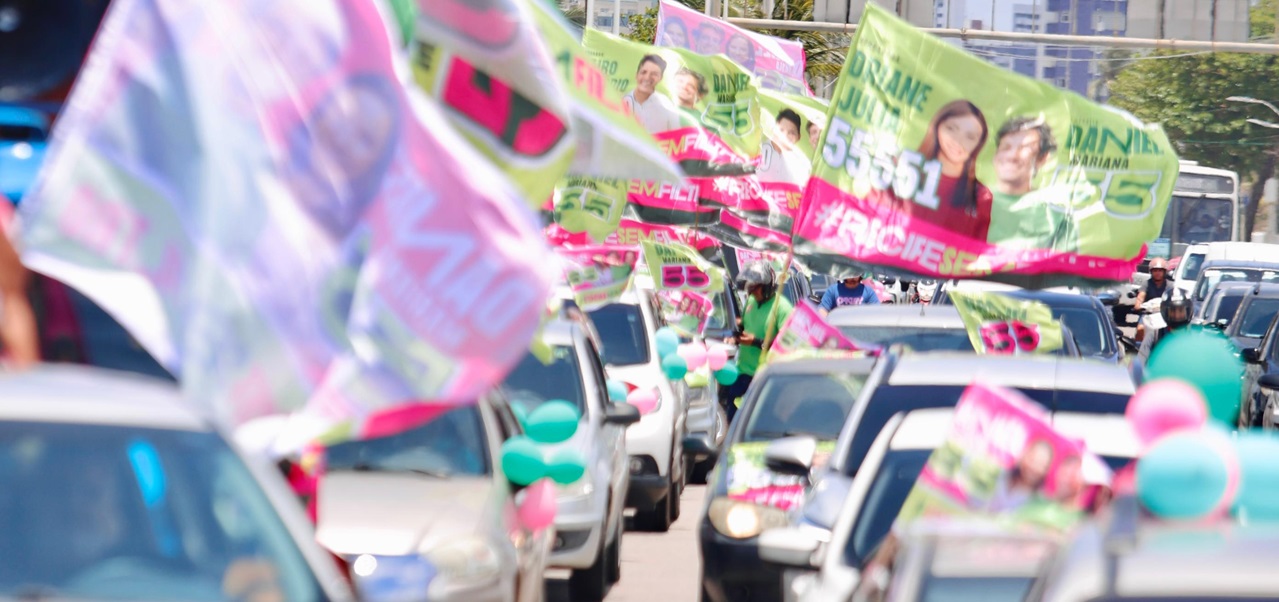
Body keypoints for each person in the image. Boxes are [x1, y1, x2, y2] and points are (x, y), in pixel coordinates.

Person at [986, 117, 1077, 251]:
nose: (1012, 156)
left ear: (1042, 158)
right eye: (1006, 147)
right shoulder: (970, 201)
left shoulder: (1057, 213)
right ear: (996, 154)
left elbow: (1065, 263)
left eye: (1024, 148)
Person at [911, 100, 993, 240]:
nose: (958, 141)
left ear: (979, 144)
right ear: (937, 127)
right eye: (951, 129)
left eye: (970, 137)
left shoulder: (981, 196)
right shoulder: (906, 169)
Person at [722, 261, 793, 423]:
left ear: (767, 286)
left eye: (756, 288)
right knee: (733, 418)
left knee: (760, 421)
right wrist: (734, 330)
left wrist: (756, 342)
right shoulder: (751, 302)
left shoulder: (782, 307)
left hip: (765, 375)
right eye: (750, 289)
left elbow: (785, 343)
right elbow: (746, 324)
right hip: (743, 372)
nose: (752, 293)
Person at [986, 439, 1054, 512]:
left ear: (1046, 470)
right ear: (1024, 455)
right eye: (1032, 459)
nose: (1034, 467)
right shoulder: (1000, 476)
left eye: (1041, 464)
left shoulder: (1038, 505)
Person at [622, 54, 680, 135]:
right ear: (636, 75)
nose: (647, 77)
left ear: (660, 78)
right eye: (643, 72)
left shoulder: (667, 106)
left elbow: (677, 137)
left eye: (654, 74)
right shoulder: (622, 101)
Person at [757, 109, 810, 185]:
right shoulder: (758, 151)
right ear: (773, 130)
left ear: (798, 137)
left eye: (791, 133)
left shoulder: (802, 162)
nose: (785, 136)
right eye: (781, 130)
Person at [1139, 287, 1194, 361]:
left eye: (1180, 311)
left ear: (1188, 311)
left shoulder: (1196, 337)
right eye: (1173, 311)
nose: (1177, 316)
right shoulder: (1155, 335)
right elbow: (1141, 360)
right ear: (1165, 312)